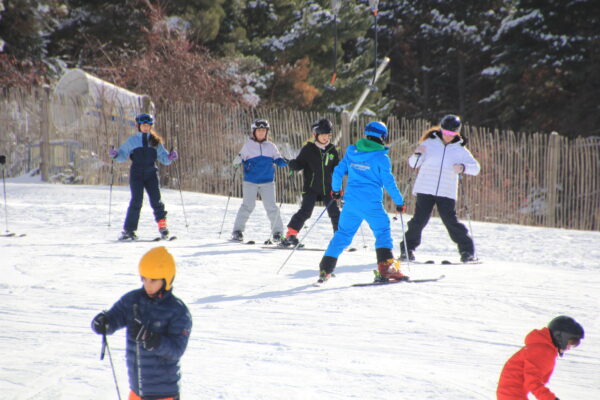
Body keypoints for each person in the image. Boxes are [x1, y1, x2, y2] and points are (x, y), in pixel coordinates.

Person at [91, 246, 192, 400]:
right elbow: (114, 318)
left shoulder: (177, 310)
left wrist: (153, 340)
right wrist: (102, 323)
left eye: (153, 280)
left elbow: (177, 349)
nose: (147, 285)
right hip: (137, 391)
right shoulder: (133, 300)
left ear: (167, 279)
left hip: (163, 393)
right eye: (144, 279)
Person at [317, 121, 406, 283]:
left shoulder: (352, 152)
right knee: (382, 231)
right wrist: (399, 202)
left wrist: (336, 191)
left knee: (343, 234)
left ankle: (325, 269)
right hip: (371, 204)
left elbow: (337, 172)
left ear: (366, 134)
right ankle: (386, 269)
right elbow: (389, 183)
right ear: (383, 137)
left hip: (351, 203)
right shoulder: (381, 157)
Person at [400, 114, 480, 262]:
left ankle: (467, 252)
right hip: (425, 188)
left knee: (451, 221)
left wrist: (463, 167)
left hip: (446, 191)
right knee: (419, 220)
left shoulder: (460, 149)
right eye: (446, 132)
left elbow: (476, 168)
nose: (448, 136)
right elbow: (413, 164)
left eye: (452, 133)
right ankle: (407, 250)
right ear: (441, 129)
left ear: (457, 132)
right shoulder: (429, 144)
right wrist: (417, 154)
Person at [110, 113, 178, 241]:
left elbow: (164, 159)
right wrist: (115, 155)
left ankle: (163, 227)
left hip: (151, 174)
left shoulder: (155, 142)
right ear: (138, 126)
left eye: (148, 126)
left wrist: (170, 157)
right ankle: (128, 230)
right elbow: (122, 155)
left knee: (156, 201)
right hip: (137, 174)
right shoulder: (132, 141)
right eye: (143, 126)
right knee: (136, 201)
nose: (146, 128)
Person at [280, 118, 340, 247]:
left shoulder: (332, 150)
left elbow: (337, 169)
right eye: (323, 135)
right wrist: (291, 163)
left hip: (327, 188)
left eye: (328, 135)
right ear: (315, 135)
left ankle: (339, 237)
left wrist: (343, 177)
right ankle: (291, 234)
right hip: (311, 188)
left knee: (335, 212)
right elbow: (299, 164)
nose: (326, 138)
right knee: (306, 211)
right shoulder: (309, 149)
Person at [497, 315, 584, 400]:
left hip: (510, 395)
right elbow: (533, 383)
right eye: (570, 343)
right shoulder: (543, 351)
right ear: (560, 337)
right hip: (511, 396)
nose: (569, 348)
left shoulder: (542, 348)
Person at [231, 119, 287, 243]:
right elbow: (240, 157)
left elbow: (278, 159)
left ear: (266, 132)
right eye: (259, 131)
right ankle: (237, 231)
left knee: (271, 207)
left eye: (263, 130)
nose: (261, 133)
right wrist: (237, 161)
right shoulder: (248, 146)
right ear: (254, 132)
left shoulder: (271, 146)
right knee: (247, 206)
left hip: (267, 182)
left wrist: (284, 162)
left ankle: (278, 232)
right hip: (250, 181)